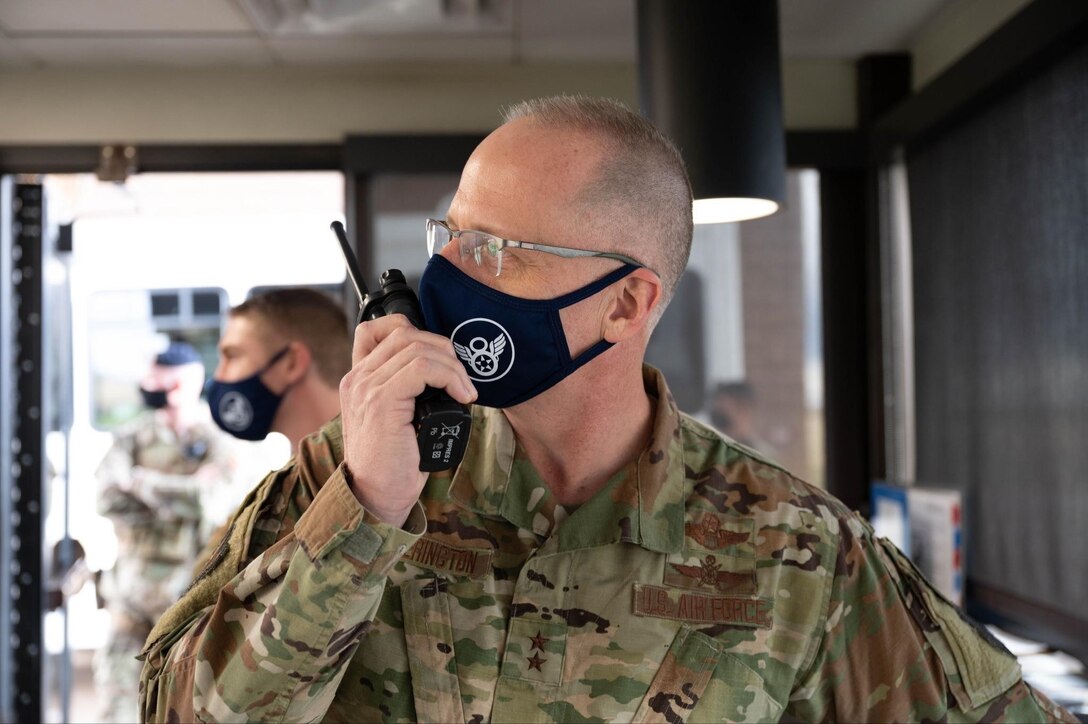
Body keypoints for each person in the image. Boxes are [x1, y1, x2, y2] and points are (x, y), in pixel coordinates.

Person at [138, 97, 1075, 722]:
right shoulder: (349, 473)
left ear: (626, 304)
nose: (454, 275)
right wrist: (368, 514)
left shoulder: (798, 554)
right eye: (452, 235)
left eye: (502, 249)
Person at [94, 340, 250, 723]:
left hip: (190, 601)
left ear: (191, 382)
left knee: (183, 705)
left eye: (170, 382)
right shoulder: (132, 436)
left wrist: (140, 482)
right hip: (130, 597)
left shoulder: (218, 436)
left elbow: (209, 501)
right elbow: (106, 497)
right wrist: (182, 488)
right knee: (117, 706)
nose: (160, 389)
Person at [205, 287, 350, 454]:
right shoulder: (313, 470)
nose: (219, 375)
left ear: (292, 363)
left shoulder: (368, 471)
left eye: (232, 356)